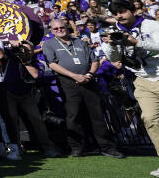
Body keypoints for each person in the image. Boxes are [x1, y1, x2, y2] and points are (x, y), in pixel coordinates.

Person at [41, 19, 123, 158]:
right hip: (67, 82)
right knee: (73, 116)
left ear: (67, 27)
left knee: (97, 114)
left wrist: (89, 74)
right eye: (56, 29)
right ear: (51, 30)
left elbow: (95, 61)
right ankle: (77, 148)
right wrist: (74, 76)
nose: (60, 29)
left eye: (62, 27)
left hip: (88, 80)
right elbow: (52, 64)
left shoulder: (79, 41)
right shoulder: (49, 44)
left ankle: (106, 147)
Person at [101, 0, 159, 177]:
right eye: (115, 13)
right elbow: (114, 58)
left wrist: (136, 43)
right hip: (142, 80)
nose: (119, 15)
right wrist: (111, 44)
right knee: (150, 119)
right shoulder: (116, 31)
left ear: (133, 11)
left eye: (123, 11)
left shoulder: (151, 25)